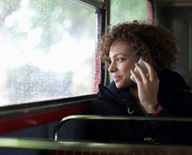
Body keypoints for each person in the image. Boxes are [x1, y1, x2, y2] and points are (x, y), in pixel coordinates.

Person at [86, 21, 192, 145]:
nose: (111, 68)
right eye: (110, 60)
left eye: (120, 59)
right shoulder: (104, 107)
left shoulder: (182, 99)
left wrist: (153, 108)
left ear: (146, 61)